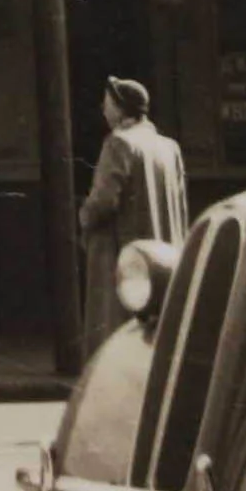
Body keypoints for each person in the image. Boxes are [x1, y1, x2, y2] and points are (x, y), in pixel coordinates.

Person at [79, 75, 189, 354]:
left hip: (124, 254)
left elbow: (104, 201)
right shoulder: (169, 147)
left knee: (116, 337)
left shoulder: (118, 143)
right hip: (163, 257)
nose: (104, 109)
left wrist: (83, 217)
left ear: (120, 108)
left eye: (107, 103)